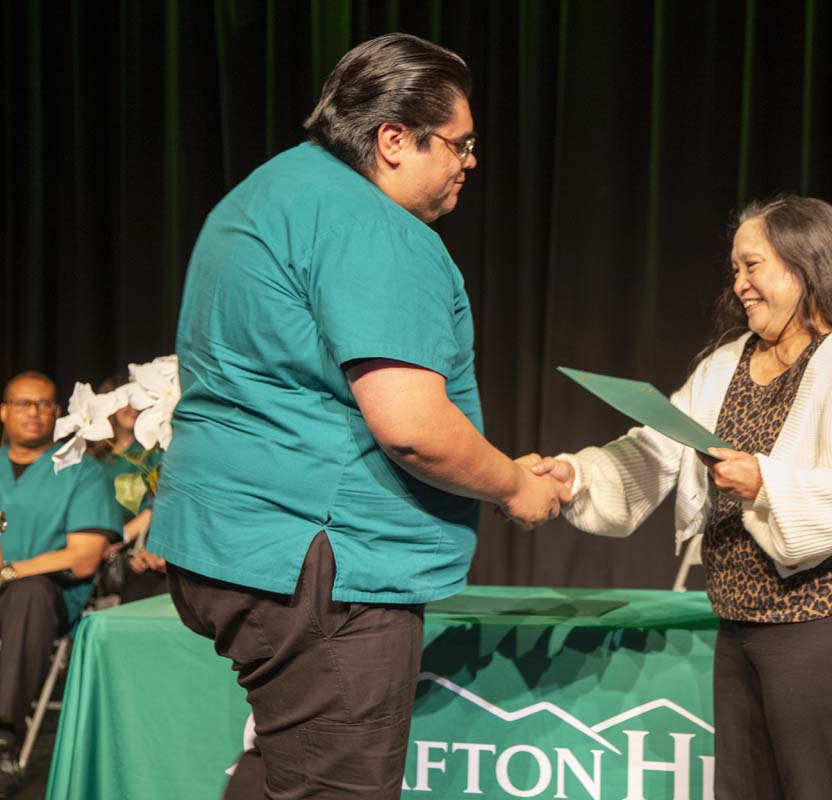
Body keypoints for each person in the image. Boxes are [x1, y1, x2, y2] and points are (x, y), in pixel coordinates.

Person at [149, 33, 568, 799]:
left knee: (283, 763)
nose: (470, 162)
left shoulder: (269, 191)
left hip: (228, 545)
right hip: (317, 557)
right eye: (460, 144)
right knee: (335, 786)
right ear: (394, 139)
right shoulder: (372, 225)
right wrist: (513, 484)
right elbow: (410, 425)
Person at [527, 196, 832, 799]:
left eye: (752, 266)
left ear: (804, 265)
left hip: (829, 622)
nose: (740, 284)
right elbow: (654, 450)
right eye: (735, 269)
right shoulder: (725, 365)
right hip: (742, 621)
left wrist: (767, 482)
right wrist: (574, 477)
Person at [0, 371, 123, 796]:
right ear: (4, 412)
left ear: (56, 413)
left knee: (27, 595)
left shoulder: (81, 472)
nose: (33, 412)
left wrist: (9, 571)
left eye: (43, 404)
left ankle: (3, 737)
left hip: (45, 598)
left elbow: (85, 557)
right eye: (22, 403)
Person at [87, 370, 166, 603]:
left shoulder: (153, 451)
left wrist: (118, 541)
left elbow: (159, 502)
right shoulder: (89, 458)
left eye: (139, 402)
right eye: (125, 401)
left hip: (140, 542)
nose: (133, 408)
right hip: (96, 541)